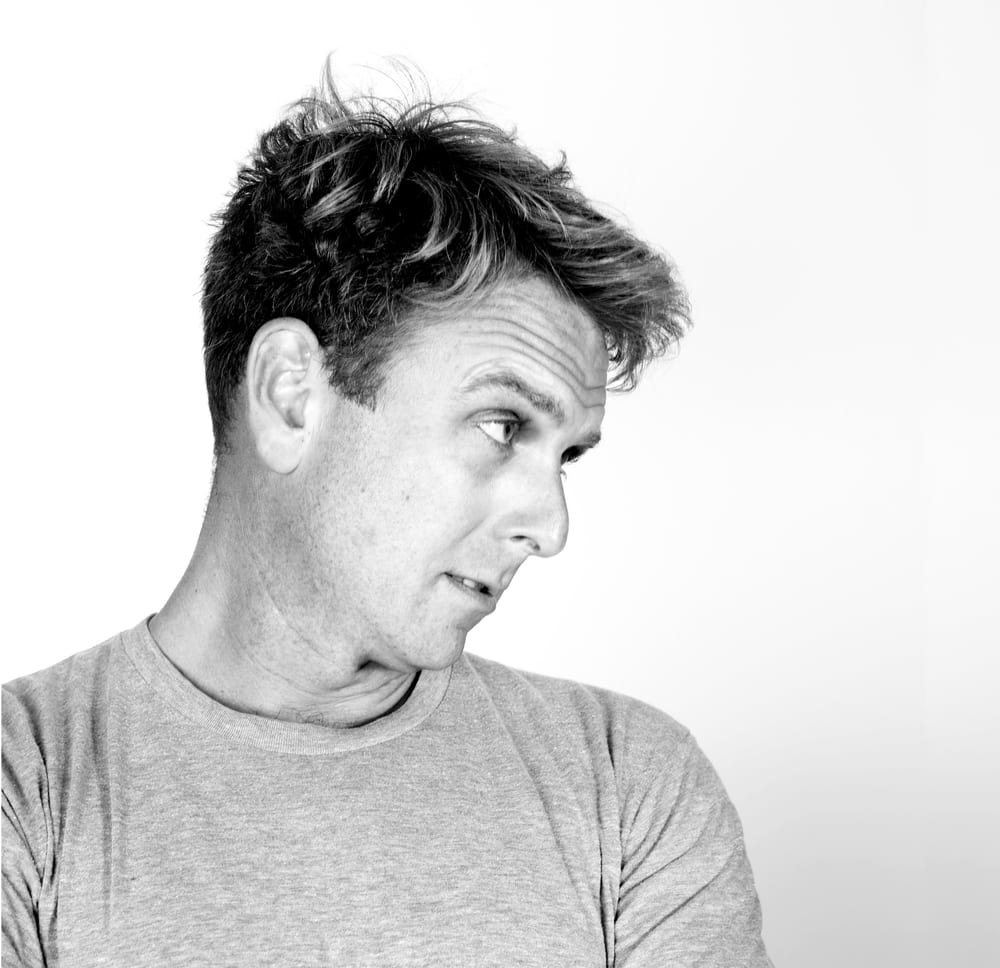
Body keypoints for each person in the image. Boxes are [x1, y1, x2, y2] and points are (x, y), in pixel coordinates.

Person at [2, 70, 773, 966]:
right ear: (291, 396)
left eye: (567, 456)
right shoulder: (27, 788)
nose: (551, 529)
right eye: (502, 425)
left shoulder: (629, 786)